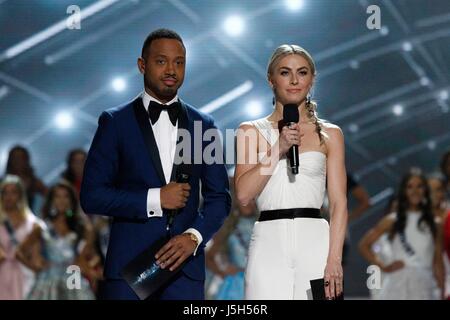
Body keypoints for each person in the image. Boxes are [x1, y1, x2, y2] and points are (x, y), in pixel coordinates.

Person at [80, 28, 231, 300]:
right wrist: (155, 199)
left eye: (179, 62)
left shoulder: (203, 125)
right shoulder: (115, 122)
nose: (171, 69)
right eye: (161, 61)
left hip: (185, 273)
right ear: (142, 65)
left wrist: (194, 237)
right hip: (129, 272)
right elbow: (92, 196)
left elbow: (219, 198)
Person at [235, 44, 348, 300]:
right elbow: (243, 195)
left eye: (303, 72)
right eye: (285, 72)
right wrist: (279, 147)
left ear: (312, 79)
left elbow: (340, 203)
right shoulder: (249, 131)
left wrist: (334, 259)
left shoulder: (331, 134)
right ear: (271, 79)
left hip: (316, 240)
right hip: (268, 240)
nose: (295, 80)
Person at [359, 169, 445, 299]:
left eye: (419, 186)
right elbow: (364, 245)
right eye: (410, 187)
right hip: (397, 286)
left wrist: (442, 289)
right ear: (404, 191)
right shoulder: (392, 220)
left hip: (425, 286)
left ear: (425, 191)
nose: (415, 191)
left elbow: (438, 260)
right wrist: (384, 266)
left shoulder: (435, 223)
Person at [17, 182, 96, 300]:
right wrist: (35, 267)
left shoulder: (80, 227)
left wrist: (86, 266)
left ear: (71, 200)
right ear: (51, 200)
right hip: (48, 280)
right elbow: (19, 252)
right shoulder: (42, 227)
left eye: (65, 196)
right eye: (57, 196)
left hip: (73, 278)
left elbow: (92, 255)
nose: (61, 200)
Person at [205, 177, 257, 300]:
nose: (249, 203)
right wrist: (223, 272)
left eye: (252, 198)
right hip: (236, 287)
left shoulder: (263, 224)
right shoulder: (228, 227)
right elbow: (209, 258)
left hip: (260, 281)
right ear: (236, 199)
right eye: (245, 199)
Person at [0, 175, 44, 299]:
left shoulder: (33, 224)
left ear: (20, 195)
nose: (9, 197)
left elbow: (36, 257)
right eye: (5, 192)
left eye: (13, 192)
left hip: (26, 276)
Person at [4, 145, 47, 213]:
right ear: (10, 160)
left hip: (27, 220)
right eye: (15, 158)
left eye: (21, 158)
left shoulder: (34, 182)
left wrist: (44, 211)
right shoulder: (3, 181)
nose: (18, 161)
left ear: (26, 160)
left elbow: (50, 195)